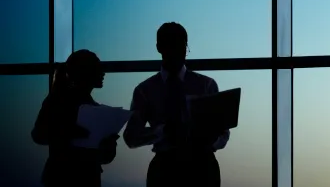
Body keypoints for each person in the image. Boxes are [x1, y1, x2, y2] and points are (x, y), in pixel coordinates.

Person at [123, 22, 229, 187]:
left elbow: (223, 134)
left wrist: (211, 141)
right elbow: (131, 137)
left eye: (181, 46)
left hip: (193, 165)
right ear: (159, 47)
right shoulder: (204, 85)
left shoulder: (147, 89)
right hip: (182, 167)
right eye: (172, 45)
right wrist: (165, 131)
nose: (178, 51)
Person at [32, 50, 119, 187]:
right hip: (73, 176)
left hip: (69, 176)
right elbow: (38, 134)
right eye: (98, 69)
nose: (103, 73)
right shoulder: (60, 100)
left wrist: (108, 145)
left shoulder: (60, 99)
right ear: (85, 72)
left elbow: (39, 134)